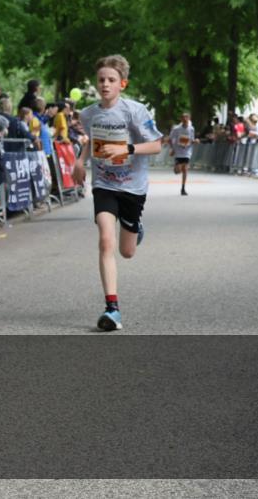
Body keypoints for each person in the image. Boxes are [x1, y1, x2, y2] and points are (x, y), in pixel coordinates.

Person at [72, 55, 162, 331]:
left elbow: (157, 145)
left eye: (111, 80)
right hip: (104, 185)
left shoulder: (135, 111)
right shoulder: (88, 114)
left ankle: (134, 225)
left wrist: (129, 149)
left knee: (127, 252)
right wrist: (79, 160)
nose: (105, 84)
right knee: (105, 241)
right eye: (101, 80)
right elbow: (91, 141)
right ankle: (112, 309)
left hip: (133, 186)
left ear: (122, 83)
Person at [169, 112, 197, 195]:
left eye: (186, 117)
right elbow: (170, 139)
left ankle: (183, 188)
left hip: (187, 152)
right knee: (178, 171)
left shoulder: (191, 129)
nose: (185, 119)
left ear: (189, 118)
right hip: (178, 151)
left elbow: (192, 139)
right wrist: (172, 149)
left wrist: (195, 141)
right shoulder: (176, 129)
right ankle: (176, 167)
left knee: (185, 169)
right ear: (181, 119)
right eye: (183, 117)